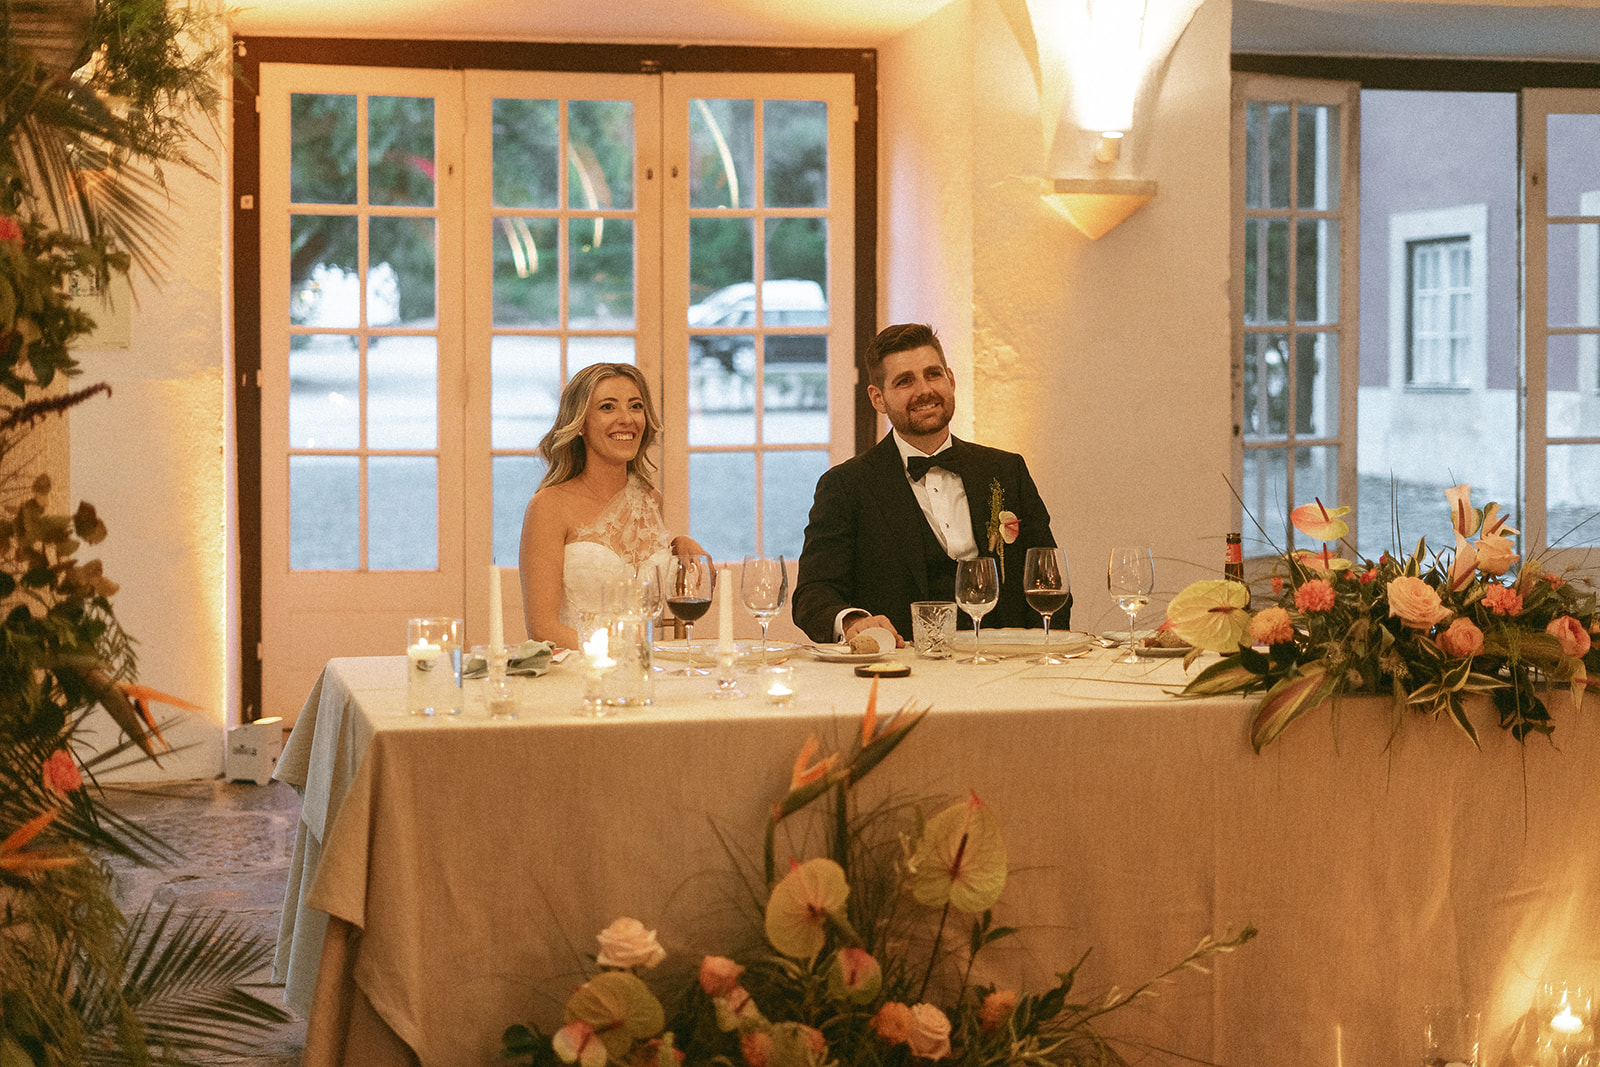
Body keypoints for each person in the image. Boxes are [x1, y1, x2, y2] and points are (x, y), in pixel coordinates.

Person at [792, 323, 1065, 646]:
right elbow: (813, 593)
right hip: (901, 666)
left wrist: (1046, 655)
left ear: (950, 380)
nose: (924, 390)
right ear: (878, 399)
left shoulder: (1007, 470)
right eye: (904, 381)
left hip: (1003, 662)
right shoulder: (845, 486)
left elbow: (1047, 578)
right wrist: (853, 621)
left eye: (933, 374)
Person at [518, 363, 700, 649]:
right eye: (607, 407)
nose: (626, 419)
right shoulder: (548, 506)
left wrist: (678, 544)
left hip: (646, 669)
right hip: (581, 670)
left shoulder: (651, 500)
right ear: (580, 424)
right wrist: (617, 656)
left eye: (636, 406)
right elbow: (543, 629)